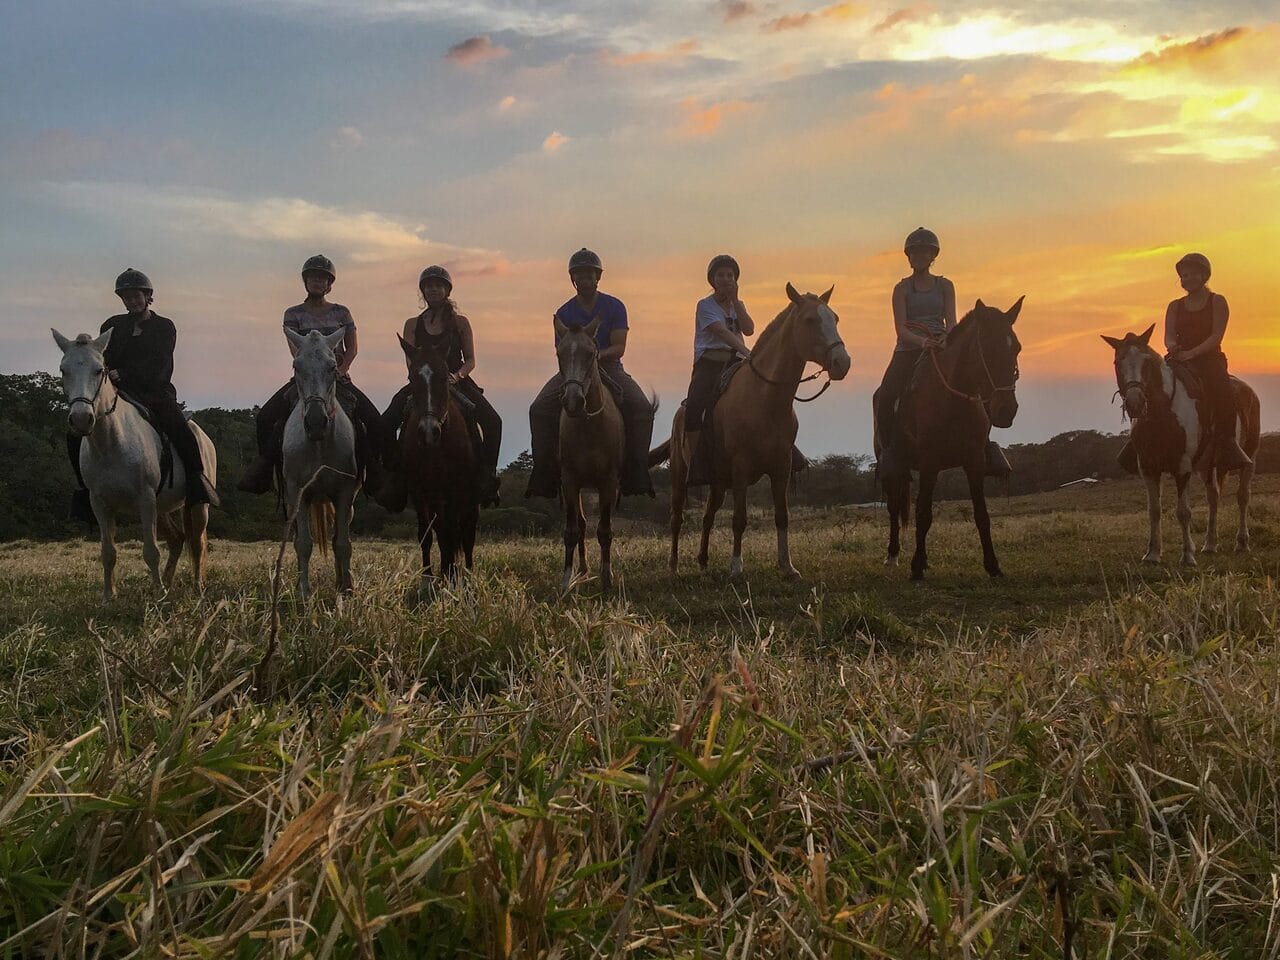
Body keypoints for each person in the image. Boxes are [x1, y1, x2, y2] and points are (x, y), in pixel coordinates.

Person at [67, 268, 220, 523]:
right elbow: (101, 355)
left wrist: (124, 374)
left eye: (136, 296)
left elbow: (162, 364)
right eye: (126, 297)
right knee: (75, 432)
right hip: (117, 392)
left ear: (148, 296)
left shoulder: (164, 327)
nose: (132, 301)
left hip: (154, 390)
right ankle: (86, 489)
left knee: (178, 425)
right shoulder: (112, 325)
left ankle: (196, 481)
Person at [237, 255, 389, 495]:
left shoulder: (342, 312)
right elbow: (295, 350)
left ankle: (374, 472)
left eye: (322, 279)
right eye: (313, 278)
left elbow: (352, 348)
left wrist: (342, 369)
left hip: (336, 378)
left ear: (329, 284)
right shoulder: (292, 314)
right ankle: (264, 470)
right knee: (265, 418)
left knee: (374, 421)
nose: (317, 282)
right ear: (305, 281)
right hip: (305, 380)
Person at [525, 248, 655, 499]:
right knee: (538, 408)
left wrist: (597, 356)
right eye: (579, 274)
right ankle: (544, 474)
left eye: (589, 273)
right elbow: (562, 350)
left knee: (641, 407)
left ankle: (636, 471)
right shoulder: (563, 312)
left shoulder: (614, 306)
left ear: (598, 276)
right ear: (573, 279)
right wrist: (576, 365)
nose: (585, 278)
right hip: (574, 370)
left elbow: (619, 347)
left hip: (608, 366)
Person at [379, 265, 503, 509]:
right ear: (422, 291)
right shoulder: (413, 323)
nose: (433, 289)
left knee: (493, 421)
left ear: (447, 290)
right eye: (428, 286)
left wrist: (456, 376)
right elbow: (410, 358)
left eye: (438, 285)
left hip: (455, 380)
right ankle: (395, 478)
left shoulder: (460, 323)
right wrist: (419, 376)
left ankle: (486, 478)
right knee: (385, 423)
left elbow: (470, 360)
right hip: (423, 382)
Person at [1160, 253, 1250, 470]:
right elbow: (1169, 335)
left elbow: (1216, 337)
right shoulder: (1174, 306)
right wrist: (1173, 346)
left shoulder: (1217, 302)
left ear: (1203, 276)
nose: (1186, 279)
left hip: (1209, 359)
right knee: (1153, 385)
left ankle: (1229, 442)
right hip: (1179, 358)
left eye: (1191, 274)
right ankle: (1140, 441)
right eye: (1183, 275)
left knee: (1223, 391)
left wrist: (1192, 353)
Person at [683, 254, 753, 484]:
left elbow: (749, 329)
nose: (725, 279)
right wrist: (749, 353)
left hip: (736, 361)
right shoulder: (705, 305)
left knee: (766, 393)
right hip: (710, 362)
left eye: (730, 275)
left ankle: (785, 447)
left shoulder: (738, 305)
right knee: (694, 405)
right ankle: (696, 462)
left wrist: (737, 302)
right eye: (720, 275)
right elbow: (722, 332)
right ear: (712, 280)